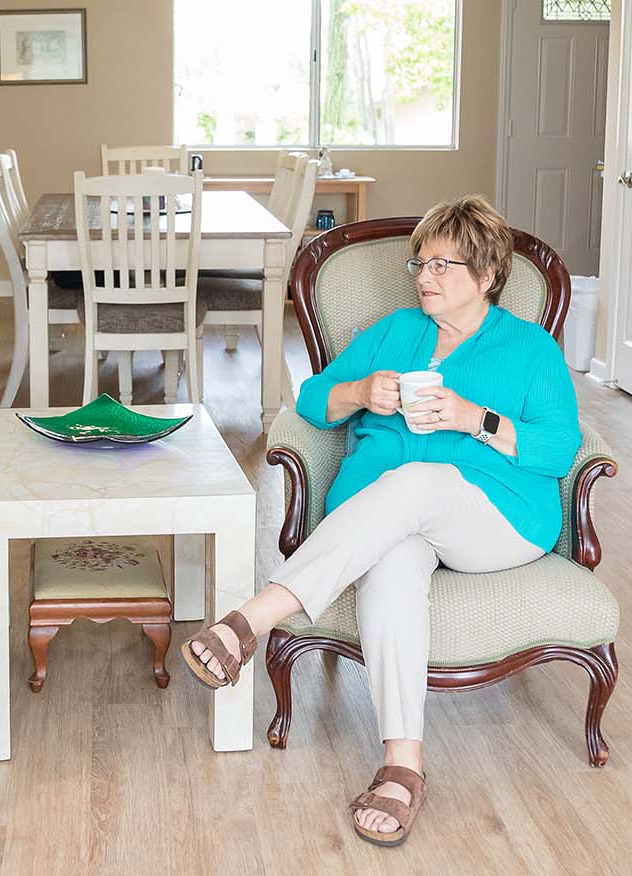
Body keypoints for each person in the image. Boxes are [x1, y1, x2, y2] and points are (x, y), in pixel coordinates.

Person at [181, 194, 581, 847]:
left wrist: (471, 418)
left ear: (486, 277)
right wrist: (362, 393)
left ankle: (252, 620)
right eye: (420, 263)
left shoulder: (529, 349)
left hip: (498, 517)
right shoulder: (397, 332)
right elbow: (312, 400)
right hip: (392, 520)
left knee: (419, 481)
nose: (424, 276)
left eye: (443, 266)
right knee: (391, 564)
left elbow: (559, 448)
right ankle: (403, 765)